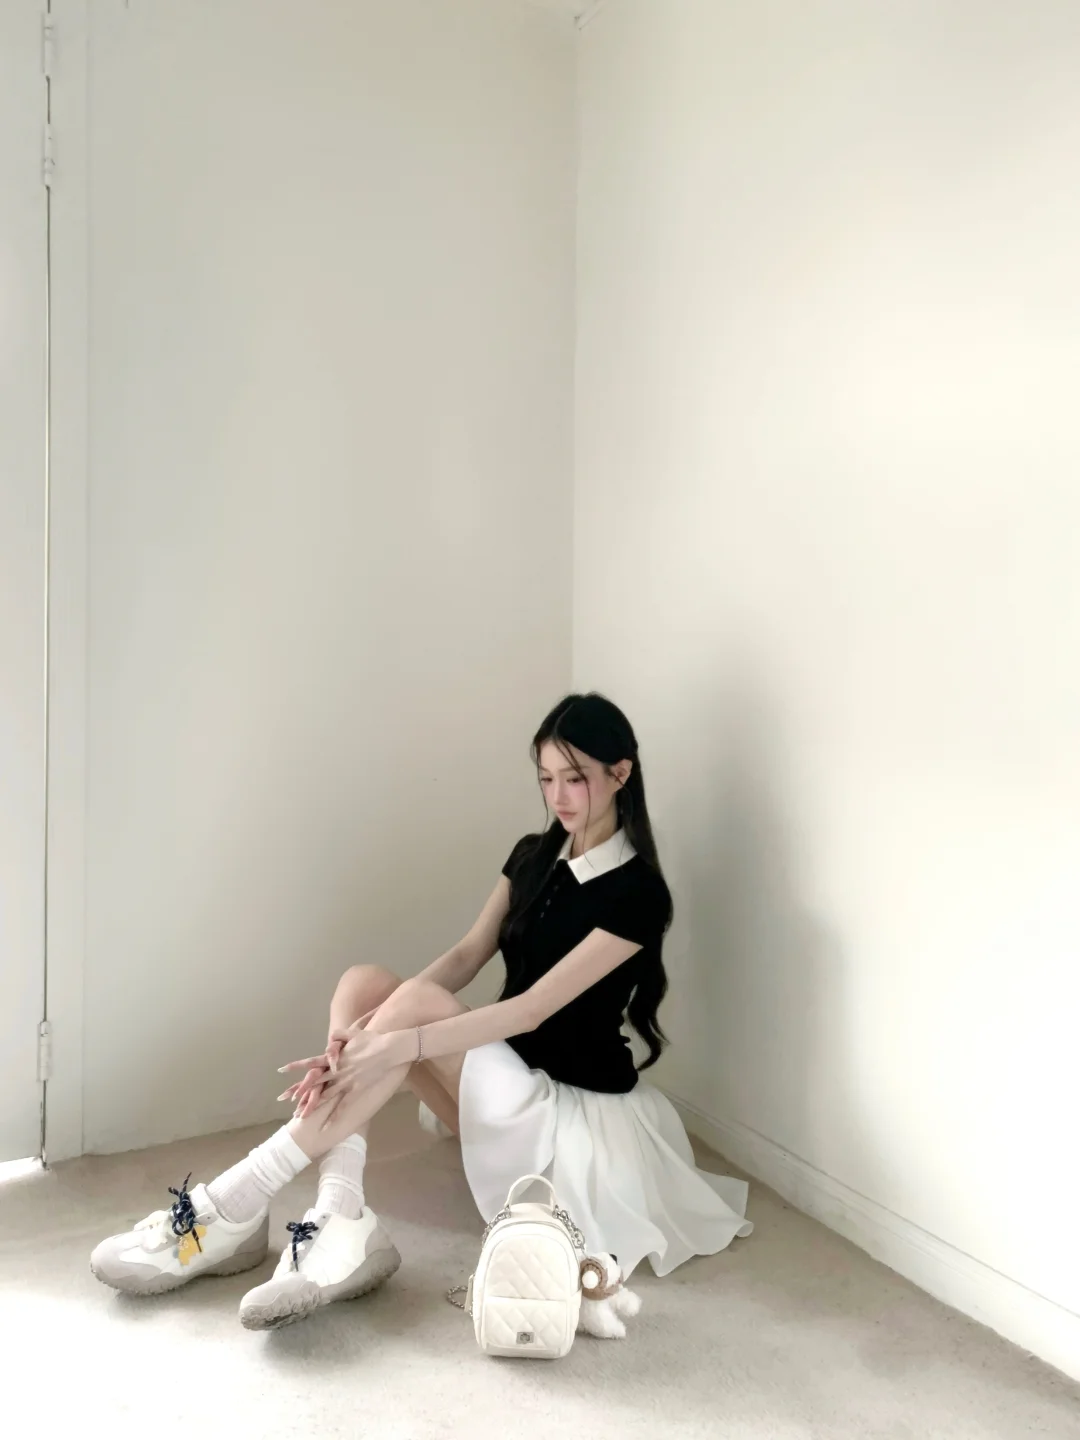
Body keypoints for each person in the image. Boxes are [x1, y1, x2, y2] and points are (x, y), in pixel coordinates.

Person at [90, 693, 753, 1329]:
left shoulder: (637, 893)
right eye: (546, 778)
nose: (558, 796)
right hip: (504, 1085)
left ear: (621, 774)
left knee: (410, 1010)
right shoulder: (533, 855)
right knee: (364, 984)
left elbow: (530, 1010)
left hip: (564, 1117)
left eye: (575, 778)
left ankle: (232, 1202)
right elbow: (466, 956)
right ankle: (340, 1211)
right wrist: (357, 1041)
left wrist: (397, 1042)